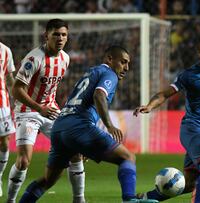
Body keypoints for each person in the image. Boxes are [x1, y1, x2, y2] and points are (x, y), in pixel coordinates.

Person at [18, 45, 158, 203]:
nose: (126, 67)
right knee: (127, 158)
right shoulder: (109, 73)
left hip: (60, 126)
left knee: (47, 180)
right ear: (110, 59)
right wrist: (109, 125)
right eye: (123, 62)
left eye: (128, 63)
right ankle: (129, 199)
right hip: (79, 125)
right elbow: (99, 96)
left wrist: (80, 144)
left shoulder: (91, 72)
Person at [133, 32, 200, 203]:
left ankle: (144, 198)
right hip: (192, 129)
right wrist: (150, 105)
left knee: (190, 184)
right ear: (199, 51)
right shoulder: (190, 75)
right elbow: (165, 93)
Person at [7, 19, 86, 203]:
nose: (60, 38)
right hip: (28, 111)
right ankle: (10, 200)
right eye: (56, 34)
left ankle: (79, 199)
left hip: (50, 110)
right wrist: (39, 108)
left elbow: (51, 88)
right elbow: (16, 90)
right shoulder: (34, 59)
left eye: (64, 35)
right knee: (24, 161)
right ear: (46, 36)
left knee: (75, 152)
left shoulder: (65, 58)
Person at [0, 42, 16, 197]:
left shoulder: (5, 50)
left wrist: (17, 97)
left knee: (5, 141)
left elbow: (9, 77)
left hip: (1, 103)